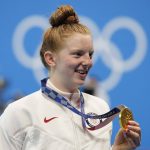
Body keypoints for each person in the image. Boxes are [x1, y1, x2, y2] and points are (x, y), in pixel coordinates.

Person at [0, 5, 141, 150]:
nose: (88, 62)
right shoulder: (19, 112)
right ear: (51, 59)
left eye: (90, 54)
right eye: (78, 54)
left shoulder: (100, 107)